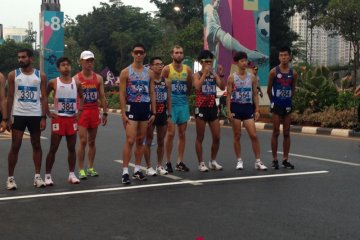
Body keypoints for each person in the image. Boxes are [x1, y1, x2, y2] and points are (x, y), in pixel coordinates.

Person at [6, 48, 48, 190]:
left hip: (35, 114)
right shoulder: (13, 75)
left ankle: (37, 177)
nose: (20, 60)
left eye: (23, 57)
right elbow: (10, 97)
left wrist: (43, 117)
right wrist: (7, 118)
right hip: (19, 114)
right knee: (15, 146)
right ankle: (10, 178)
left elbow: (44, 97)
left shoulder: (40, 75)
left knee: (36, 145)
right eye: (19, 57)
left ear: (30, 58)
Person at [119, 43, 156, 184]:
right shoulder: (125, 72)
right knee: (130, 139)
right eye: (136, 52)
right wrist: (123, 113)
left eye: (141, 52)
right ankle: (125, 172)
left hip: (145, 107)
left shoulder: (149, 73)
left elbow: (152, 92)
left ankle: (137, 170)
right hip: (132, 107)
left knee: (141, 140)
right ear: (132, 54)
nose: (139, 55)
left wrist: (153, 111)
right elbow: (122, 94)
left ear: (145, 54)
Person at [44, 57, 84, 186]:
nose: (66, 67)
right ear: (58, 68)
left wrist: (80, 112)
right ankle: (48, 175)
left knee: (71, 147)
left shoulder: (77, 83)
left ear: (71, 67)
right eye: (63, 65)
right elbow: (43, 96)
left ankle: (72, 174)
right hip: (58, 118)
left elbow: (82, 98)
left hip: (71, 118)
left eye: (68, 64)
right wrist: (47, 112)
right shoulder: (53, 82)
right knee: (53, 148)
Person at [226, 51, 267, 171]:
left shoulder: (252, 77)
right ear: (237, 63)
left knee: (253, 135)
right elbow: (228, 95)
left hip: (248, 107)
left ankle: (258, 161)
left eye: (246, 61)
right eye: (242, 61)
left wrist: (257, 109)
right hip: (236, 107)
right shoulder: (232, 77)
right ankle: (239, 160)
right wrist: (228, 111)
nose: (245, 63)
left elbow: (255, 94)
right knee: (237, 135)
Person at [74, 51, 108, 179]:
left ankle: (90, 167)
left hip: (94, 111)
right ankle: (81, 169)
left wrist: (105, 113)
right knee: (82, 141)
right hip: (82, 112)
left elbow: (102, 97)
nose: (89, 63)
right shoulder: (76, 79)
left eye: (91, 61)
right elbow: (72, 97)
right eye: (87, 60)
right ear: (81, 61)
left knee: (92, 141)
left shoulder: (98, 78)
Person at [204, 0, 268, 64]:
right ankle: (254, 55)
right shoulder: (209, 8)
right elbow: (213, 6)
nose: (217, 4)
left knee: (212, 57)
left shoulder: (212, 10)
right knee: (240, 48)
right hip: (215, 31)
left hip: (210, 35)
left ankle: (212, 69)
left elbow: (215, 5)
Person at [193, 50, 225, 172]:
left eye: (211, 62)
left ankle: (213, 160)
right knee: (200, 137)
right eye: (206, 61)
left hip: (212, 107)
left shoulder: (213, 74)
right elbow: (197, 86)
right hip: (201, 107)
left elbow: (222, 87)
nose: (209, 64)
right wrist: (204, 73)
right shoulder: (197, 74)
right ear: (201, 62)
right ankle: (201, 162)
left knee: (217, 137)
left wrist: (219, 75)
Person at [267, 46, 298, 169]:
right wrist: (273, 102)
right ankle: (275, 159)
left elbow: (293, 90)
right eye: (281, 55)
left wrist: (288, 100)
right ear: (279, 57)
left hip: (287, 106)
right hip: (276, 105)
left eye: (286, 55)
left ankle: (285, 159)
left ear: (289, 56)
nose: (283, 57)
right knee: (276, 132)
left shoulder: (293, 73)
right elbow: (269, 90)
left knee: (286, 132)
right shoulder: (274, 72)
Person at [163, 45, 193, 172]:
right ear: (172, 55)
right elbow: (161, 86)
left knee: (182, 134)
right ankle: (168, 161)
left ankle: (179, 161)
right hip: (171, 105)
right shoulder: (167, 69)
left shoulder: (188, 69)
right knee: (170, 133)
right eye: (176, 52)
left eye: (181, 52)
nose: (179, 55)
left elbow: (189, 86)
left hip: (183, 105)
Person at [143, 57, 169, 176]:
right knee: (148, 140)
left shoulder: (166, 81)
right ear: (151, 67)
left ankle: (159, 165)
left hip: (162, 113)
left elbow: (169, 98)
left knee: (161, 141)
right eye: (157, 64)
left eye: (161, 64)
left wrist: (170, 113)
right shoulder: (148, 80)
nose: (159, 66)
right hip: (150, 114)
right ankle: (148, 167)